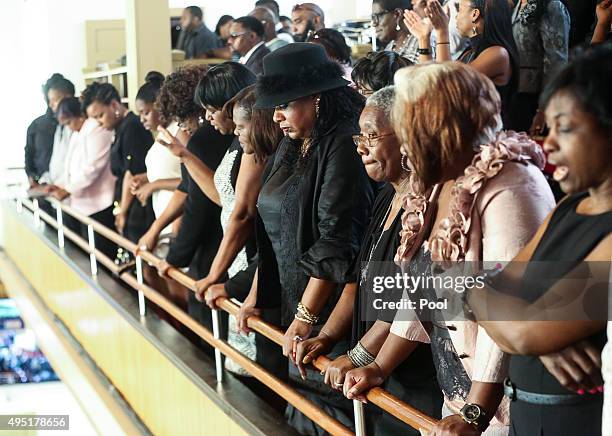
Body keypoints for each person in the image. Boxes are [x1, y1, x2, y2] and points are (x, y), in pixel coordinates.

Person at [342, 63, 555, 435]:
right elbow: (425, 292)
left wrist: (477, 411)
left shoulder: (512, 185)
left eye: (411, 130)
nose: (406, 146)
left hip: (502, 407)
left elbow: (509, 308)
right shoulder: (439, 182)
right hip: (457, 394)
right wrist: (378, 366)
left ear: (444, 128)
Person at [464, 44, 612, 436]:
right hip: (529, 418)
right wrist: (538, 334)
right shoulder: (570, 208)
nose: (547, 144)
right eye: (547, 129)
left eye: (566, 128)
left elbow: (521, 328)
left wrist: (530, 331)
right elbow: (485, 286)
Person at [238, 42, 375, 435]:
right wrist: (256, 297)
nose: (276, 116)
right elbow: (271, 233)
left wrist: (306, 319)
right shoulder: (293, 141)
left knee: (332, 417)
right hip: (295, 307)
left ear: (316, 97)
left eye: (284, 104)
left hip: (332, 314)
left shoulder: (343, 144)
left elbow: (337, 240)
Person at [294, 87, 443, 435]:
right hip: (381, 373)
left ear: (408, 137)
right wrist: (328, 335)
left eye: (372, 135)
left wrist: (362, 356)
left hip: (415, 376)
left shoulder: (427, 207)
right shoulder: (385, 197)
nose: (360, 146)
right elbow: (357, 280)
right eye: (360, 135)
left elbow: (410, 301)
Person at [156, 63, 258, 376]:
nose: (208, 118)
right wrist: (184, 155)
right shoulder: (232, 140)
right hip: (234, 258)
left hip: (245, 259)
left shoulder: (251, 143)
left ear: (232, 105)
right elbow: (222, 196)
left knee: (252, 365)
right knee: (237, 361)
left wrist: (214, 273)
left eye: (212, 110)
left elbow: (241, 213)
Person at [139, 65, 233, 346]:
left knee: (211, 336)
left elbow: (200, 205)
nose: (182, 127)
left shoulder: (202, 141)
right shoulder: (203, 139)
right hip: (220, 245)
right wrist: (156, 229)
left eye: (183, 120)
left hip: (215, 249)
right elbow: (187, 189)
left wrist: (175, 257)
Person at [413, 0, 521, 130]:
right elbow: (432, 83)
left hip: (486, 141)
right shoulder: (469, 53)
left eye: (460, 9)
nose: (456, 16)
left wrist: (442, 32)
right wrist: (423, 39)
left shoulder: (498, 54)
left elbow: (446, 86)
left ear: (475, 14)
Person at [81, 82, 154, 248]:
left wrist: (123, 212)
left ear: (114, 105)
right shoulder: (119, 128)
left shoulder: (132, 127)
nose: (98, 122)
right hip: (128, 203)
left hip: (138, 207)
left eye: (100, 115)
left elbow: (131, 174)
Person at [47, 97, 116, 259]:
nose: (69, 128)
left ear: (79, 116)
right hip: (81, 205)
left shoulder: (96, 129)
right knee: (85, 254)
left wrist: (67, 190)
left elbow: (92, 168)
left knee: (101, 256)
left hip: (98, 204)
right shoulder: (79, 131)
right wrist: (59, 185)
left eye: (70, 122)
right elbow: (70, 166)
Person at [131, 72, 184, 259]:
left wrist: (155, 184)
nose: (142, 119)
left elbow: (189, 180)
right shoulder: (162, 133)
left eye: (145, 112)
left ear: (160, 106)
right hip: (163, 217)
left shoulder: (179, 132)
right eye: (139, 114)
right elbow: (169, 170)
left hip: (178, 219)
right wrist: (144, 178)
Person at [510, 0, 570, 134]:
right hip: (514, 95)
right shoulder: (516, 4)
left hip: (534, 99)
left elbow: (556, 62)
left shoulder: (552, 6)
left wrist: (543, 109)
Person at [24, 74, 64, 188]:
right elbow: (29, 154)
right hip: (43, 184)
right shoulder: (36, 126)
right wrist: (31, 176)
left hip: (65, 187)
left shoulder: (72, 124)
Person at [37, 75, 76, 187]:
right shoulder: (60, 127)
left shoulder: (76, 128)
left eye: (54, 100)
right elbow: (57, 162)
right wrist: (46, 180)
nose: (51, 105)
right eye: (50, 101)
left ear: (67, 98)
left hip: (70, 190)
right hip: (57, 189)